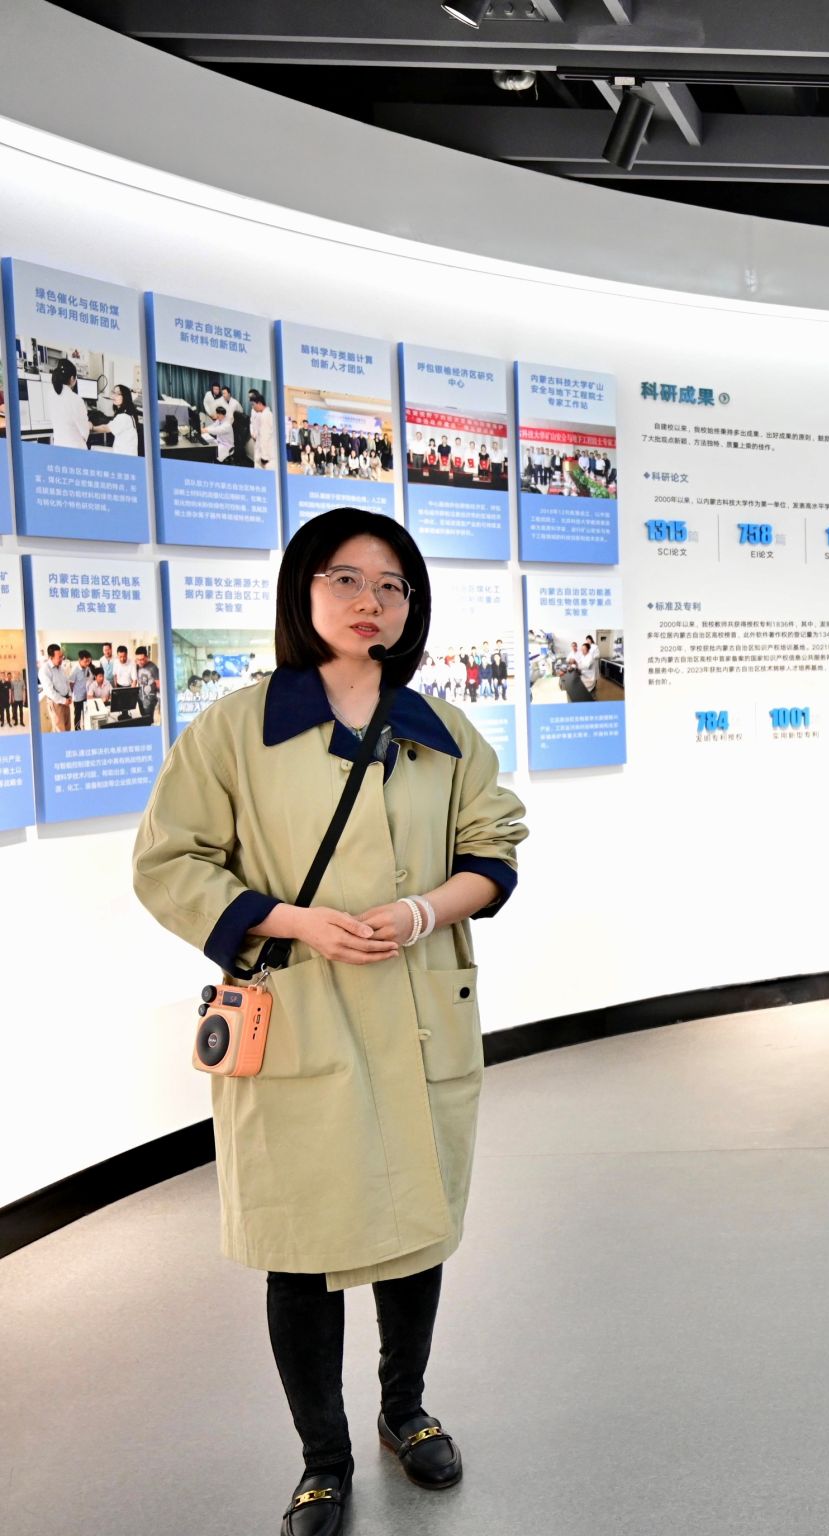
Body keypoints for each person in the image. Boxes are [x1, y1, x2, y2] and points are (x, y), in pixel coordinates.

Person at [132, 507, 529, 1536]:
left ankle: (406, 1410)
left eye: (392, 586)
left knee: (415, 1229)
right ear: (302, 591)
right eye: (345, 579)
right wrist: (297, 920)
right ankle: (322, 1461)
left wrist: (420, 913)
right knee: (302, 1247)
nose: (369, 602)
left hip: (417, 1011)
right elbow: (169, 863)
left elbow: (494, 850)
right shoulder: (235, 730)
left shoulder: (441, 731)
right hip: (299, 1015)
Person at [45, 357, 92, 450]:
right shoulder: (76, 399)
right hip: (76, 450)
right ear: (72, 379)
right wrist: (88, 425)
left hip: (59, 447)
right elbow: (84, 433)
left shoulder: (50, 395)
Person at [101, 383, 143, 457]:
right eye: (113, 392)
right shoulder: (129, 414)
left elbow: (106, 428)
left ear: (125, 397)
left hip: (124, 458)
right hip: (125, 455)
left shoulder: (124, 416)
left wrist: (91, 428)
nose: (114, 396)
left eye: (118, 394)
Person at [248, 390, 277, 471]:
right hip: (261, 451)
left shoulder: (266, 416)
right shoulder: (264, 414)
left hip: (266, 457)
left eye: (253, 405)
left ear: (260, 403)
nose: (252, 407)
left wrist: (264, 457)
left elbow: (265, 437)